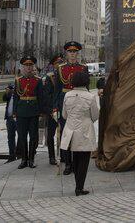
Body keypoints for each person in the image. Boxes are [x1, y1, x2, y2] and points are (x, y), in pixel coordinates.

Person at [60, 70, 99, 196]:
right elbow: (95, 115)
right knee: (84, 160)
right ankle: (79, 187)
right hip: (85, 130)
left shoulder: (67, 95)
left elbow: (64, 115)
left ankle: (78, 185)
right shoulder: (90, 96)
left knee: (75, 158)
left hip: (71, 130)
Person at [56, 42, 89, 174]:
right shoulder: (60, 68)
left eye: (75, 52)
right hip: (65, 104)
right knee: (66, 134)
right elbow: (57, 90)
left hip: (80, 103)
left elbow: (86, 88)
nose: (73, 54)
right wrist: (55, 107)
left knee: (78, 134)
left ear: (77, 53)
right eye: (70, 52)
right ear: (66, 53)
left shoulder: (83, 68)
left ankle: (76, 162)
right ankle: (68, 163)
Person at [14, 55, 43, 169]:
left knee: (33, 136)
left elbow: (41, 97)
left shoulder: (38, 80)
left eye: (30, 65)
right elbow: (16, 97)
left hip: (34, 112)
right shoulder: (18, 80)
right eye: (26, 65)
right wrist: (15, 112)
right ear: (23, 67)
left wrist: (41, 112)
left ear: (33, 67)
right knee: (22, 136)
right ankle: (23, 159)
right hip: (21, 112)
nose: (29, 67)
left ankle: (31, 159)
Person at [42, 55, 62, 167]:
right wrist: (51, 110)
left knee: (64, 134)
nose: (59, 64)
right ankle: (51, 157)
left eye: (61, 62)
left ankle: (64, 156)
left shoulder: (65, 75)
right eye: (57, 63)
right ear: (53, 65)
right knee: (51, 135)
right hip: (52, 111)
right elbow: (47, 95)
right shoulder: (50, 77)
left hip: (63, 110)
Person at [2, 83, 18, 162]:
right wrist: (7, 92)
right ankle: (12, 155)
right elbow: (4, 98)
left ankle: (20, 155)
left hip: (18, 118)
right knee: (10, 137)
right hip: (9, 118)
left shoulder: (19, 94)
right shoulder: (10, 94)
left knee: (20, 137)